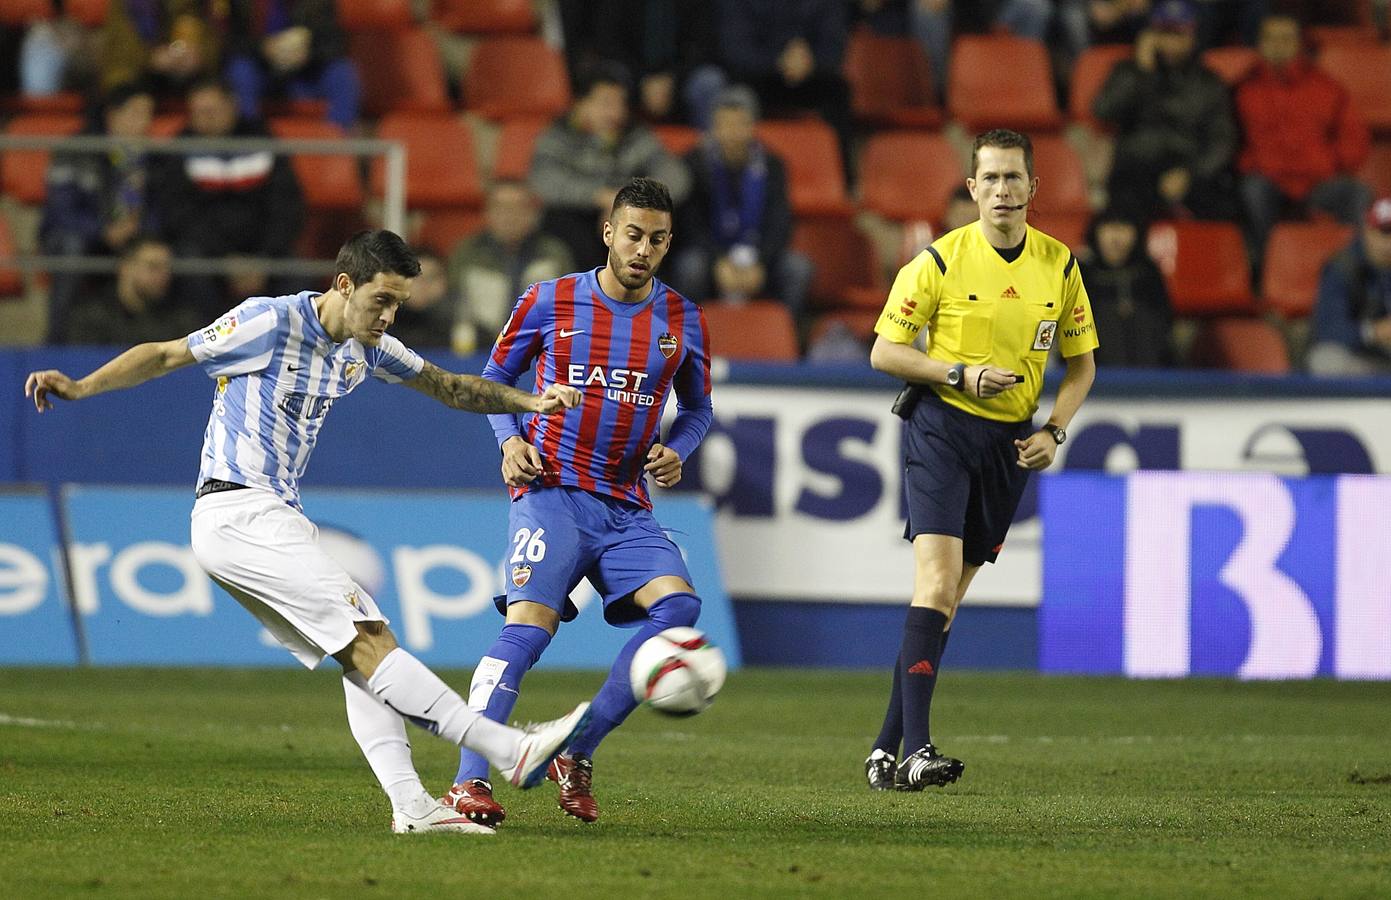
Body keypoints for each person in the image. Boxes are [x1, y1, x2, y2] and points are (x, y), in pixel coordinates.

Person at [23, 230, 590, 835]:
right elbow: (166, 355)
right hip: (238, 510)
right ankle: (509, 750)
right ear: (343, 285)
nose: (390, 316)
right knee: (370, 639)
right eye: (381, 301)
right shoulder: (268, 321)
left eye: (399, 303)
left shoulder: (368, 347)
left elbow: (449, 385)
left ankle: (413, 807)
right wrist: (82, 387)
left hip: (265, 516)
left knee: (361, 652)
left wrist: (530, 403)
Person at [442, 178, 713, 828]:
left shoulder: (681, 318)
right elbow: (493, 380)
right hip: (550, 491)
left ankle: (577, 749)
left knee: (678, 610)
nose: (642, 249)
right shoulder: (550, 299)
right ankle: (467, 782)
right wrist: (508, 441)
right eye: (632, 234)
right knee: (530, 627)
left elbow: (699, 409)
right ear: (608, 233)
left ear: (667, 243)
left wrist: (679, 449)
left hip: (625, 504)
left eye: (655, 239)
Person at [865, 129, 1098, 791]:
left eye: (1012, 179)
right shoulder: (937, 262)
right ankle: (916, 751)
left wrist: (1053, 429)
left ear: (1032, 189)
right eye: (989, 178)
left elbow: (1080, 368)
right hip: (939, 429)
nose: (1001, 190)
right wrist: (956, 374)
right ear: (970, 188)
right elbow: (885, 352)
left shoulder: (1059, 266)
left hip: (1007, 445)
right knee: (936, 588)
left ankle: (884, 751)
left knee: (941, 605)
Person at [152, 76, 305, 318]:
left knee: (299, 271)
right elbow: (178, 213)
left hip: (263, 252)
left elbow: (286, 205)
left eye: (211, 111)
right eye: (198, 112)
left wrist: (263, 258)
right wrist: (224, 260)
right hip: (207, 254)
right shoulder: (180, 147)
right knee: (189, 265)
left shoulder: (262, 138)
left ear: (232, 105)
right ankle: (207, 349)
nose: (205, 119)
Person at [1235, 13, 1370, 278]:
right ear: (1259, 43)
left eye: (1286, 39)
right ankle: (1265, 275)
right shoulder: (1243, 89)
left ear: (1299, 44)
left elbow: (1354, 138)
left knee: (1356, 192)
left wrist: (1331, 165)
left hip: (1318, 183)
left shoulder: (1326, 87)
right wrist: (1253, 164)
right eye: (1271, 39)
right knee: (1252, 191)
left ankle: (1357, 276)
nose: (1278, 46)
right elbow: (1232, 141)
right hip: (1269, 182)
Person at [529, 62, 691, 266]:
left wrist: (628, 203)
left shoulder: (636, 135)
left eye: (620, 104)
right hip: (579, 221)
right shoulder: (558, 136)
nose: (615, 113)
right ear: (581, 103)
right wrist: (600, 197)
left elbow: (676, 176)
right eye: (606, 103)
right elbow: (545, 182)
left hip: (632, 221)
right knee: (558, 223)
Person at [1092, 0, 1239, 222]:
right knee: (1122, 198)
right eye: (1163, 32)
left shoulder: (1209, 82)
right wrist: (1141, 71)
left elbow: (1222, 140)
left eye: (1177, 34)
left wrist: (1190, 174)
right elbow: (1103, 111)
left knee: (1228, 205)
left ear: (1193, 36)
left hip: (1190, 170)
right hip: (1138, 172)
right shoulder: (1129, 71)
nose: (1170, 42)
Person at [673, 85, 812, 318]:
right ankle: (685, 339)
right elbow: (691, 224)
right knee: (690, 268)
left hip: (759, 255)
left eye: (740, 124)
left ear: (752, 127)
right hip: (711, 256)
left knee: (798, 270)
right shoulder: (694, 163)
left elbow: (780, 222)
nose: (732, 132)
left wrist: (761, 263)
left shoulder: (772, 164)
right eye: (725, 125)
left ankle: (787, 345)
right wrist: (718, 261)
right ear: (713, 129)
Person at [39, 80, 159, 342]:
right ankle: (55, 342)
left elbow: (163, 207)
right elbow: (61, 211)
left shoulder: (153, 157)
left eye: (149, 115)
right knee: (71, 248)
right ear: (113, 116)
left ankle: (157, 344)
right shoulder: (78, 150)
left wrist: (143, 230)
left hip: (132, 236)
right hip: (81, 236)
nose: (145, 122)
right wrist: (103, 231)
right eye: (137, 113)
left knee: (165, 253)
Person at [447, 181, 574, 354]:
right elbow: (452, 305)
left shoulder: (554, 254)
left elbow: (572, 309)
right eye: (501, 208)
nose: (509, 216)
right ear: (487, 213)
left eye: (518, 208)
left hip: (540, 353)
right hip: (478, 351)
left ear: (533, 213)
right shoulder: (468, 254)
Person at [223, 0, 362, 132]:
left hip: (307, 75)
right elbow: (231, 43)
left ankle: (335, 143)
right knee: (240, 70)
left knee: (342, 72)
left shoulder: (321, 3)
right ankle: (249, 137)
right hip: (263, 72)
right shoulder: (242, 4)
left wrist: (309, 51)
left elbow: (336, 44)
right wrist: (263, 48)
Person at [1306, 196, 1391, 376]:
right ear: (1367, 231)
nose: (1389, 243)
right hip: (1360, 361)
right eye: (1384, 233)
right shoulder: (1343, 267)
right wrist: (1374, 332)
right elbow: (1329, 331)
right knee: (1326, 359)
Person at [1081, 206, 1175, 367]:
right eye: (1109, 227)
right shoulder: (1083, 272)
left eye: (1124, 228)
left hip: (1148, 362)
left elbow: (1164, 317)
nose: (1116, 237)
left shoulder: (1148, 272)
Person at [64, 237, 201, 346]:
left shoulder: (180, 321)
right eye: (153, 267)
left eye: (167, 268)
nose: (163, 275)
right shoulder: (91, 318)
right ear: (125, 267)